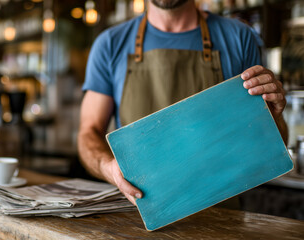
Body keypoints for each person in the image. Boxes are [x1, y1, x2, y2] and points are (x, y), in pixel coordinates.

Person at [78, 0, 288, 205]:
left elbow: (268, 146)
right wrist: (109, 168)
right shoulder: (110, 44)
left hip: (224, 217)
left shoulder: (239, 38)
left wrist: (274, 117)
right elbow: (89, 132)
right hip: (140, 217)